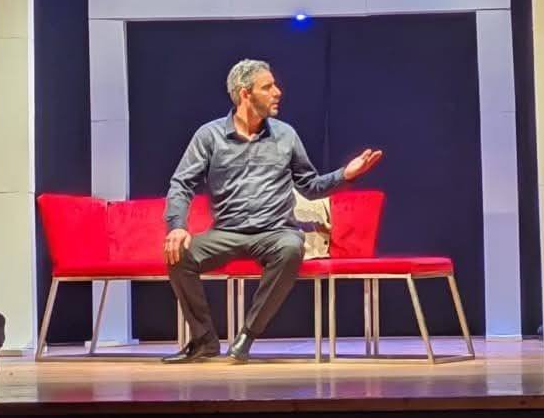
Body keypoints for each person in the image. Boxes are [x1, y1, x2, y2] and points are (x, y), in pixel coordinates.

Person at [161, 59, 383, 363]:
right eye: (267, 87)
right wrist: (177, 225)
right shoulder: (209, 136)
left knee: (291, 247)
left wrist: (345, 174)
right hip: (227, 232)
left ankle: (247, 335)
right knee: (179, 256)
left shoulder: (285, 135)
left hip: (275, 232)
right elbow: (181, 183)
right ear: (245, 94)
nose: (277, 92)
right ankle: (203, 341)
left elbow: (310, 186)